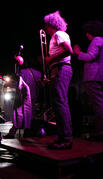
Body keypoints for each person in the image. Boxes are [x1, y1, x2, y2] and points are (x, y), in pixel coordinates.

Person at [73, 20, 103, 141]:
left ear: (92, 32)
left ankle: (100, 133)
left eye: (87, 32)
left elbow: (90, 57)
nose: (86, 35)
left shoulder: (96, 41)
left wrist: (78, 53)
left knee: (98, 106)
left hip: (94, 77)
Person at [43, 11, 73, 149]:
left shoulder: (58, 34)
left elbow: (68, 50)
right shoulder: (57, 35)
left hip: (62, 68)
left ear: (51, 24)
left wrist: (49, 59)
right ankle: (63, 137)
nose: (45, 28)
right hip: (59, 69)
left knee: (60, 103)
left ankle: (66, 139)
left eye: (46, 25)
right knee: (59, 103)